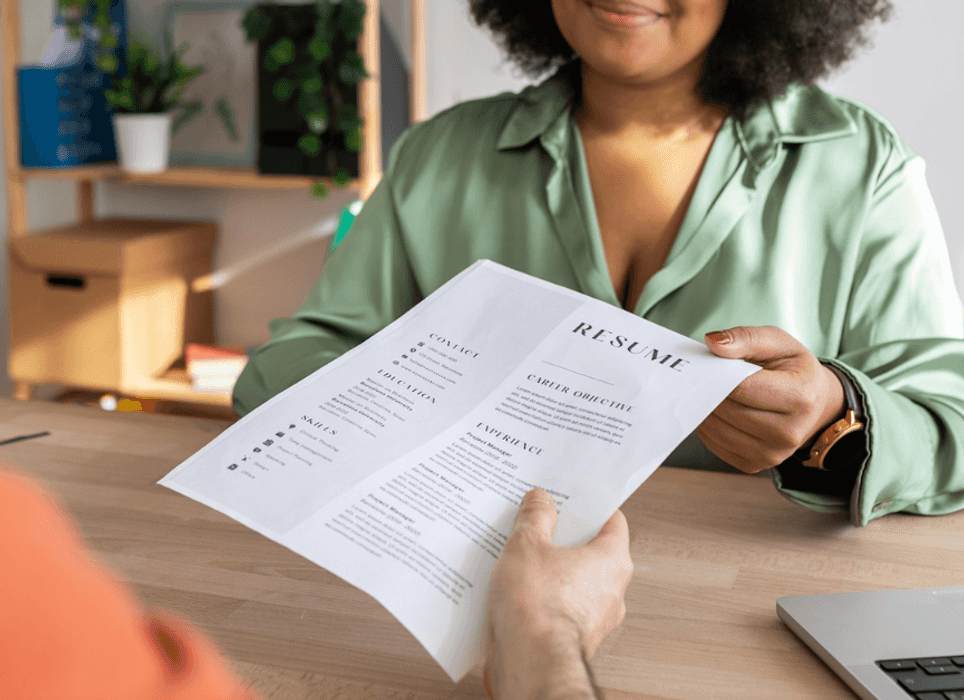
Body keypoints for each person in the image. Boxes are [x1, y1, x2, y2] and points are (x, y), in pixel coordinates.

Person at [0, 1, 632, 698]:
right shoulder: (444, 153)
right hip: (442, 574)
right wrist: (544, 642)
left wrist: (787, 447)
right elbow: (296, 356)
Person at [233, 0, 964, 527]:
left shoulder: (860, 167)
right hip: (473, 588)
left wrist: (833, 421)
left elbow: (949, 423)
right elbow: (286, 362)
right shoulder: (437, 156)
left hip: (745, 609)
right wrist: (429, 398)